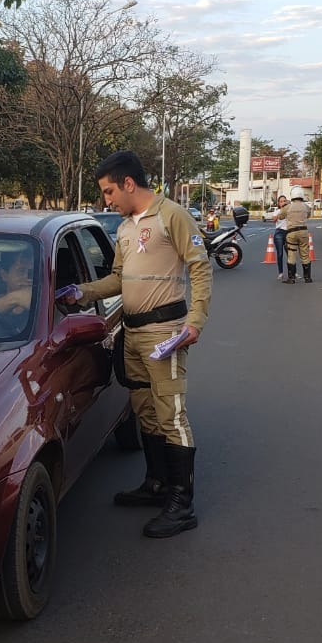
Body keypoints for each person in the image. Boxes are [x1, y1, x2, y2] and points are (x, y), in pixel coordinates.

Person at [58, 149, 212, 539]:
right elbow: (116, 279)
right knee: (144, 408)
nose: (106, 200)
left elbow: (200, 267)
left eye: (109, 191)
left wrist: (195, 321)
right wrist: (82, 292)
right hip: (133, 332)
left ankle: (182, 503)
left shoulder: (171, 215)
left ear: (128, 183)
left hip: (165, 333)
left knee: (171, 413)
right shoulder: (125, 228)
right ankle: (156, 483)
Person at [0, 249, 34, 317]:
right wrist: (15, 299)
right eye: (21, 271)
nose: (27, 277)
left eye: (32, 272)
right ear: (4, 275)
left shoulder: (45, 303)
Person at [278, 187, 312, 284]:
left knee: (291, 254)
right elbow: (308, 216)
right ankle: (307, 278)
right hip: (304, 232)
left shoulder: (288, 207)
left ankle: (291, 278)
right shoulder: (306, 206)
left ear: (292, 196)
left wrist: (284, 206)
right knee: (305, 254)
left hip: (291, 233)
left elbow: (280, 217)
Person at [272, 194, 289, 281]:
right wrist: (281, 212)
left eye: (284, 201)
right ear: (278, 203)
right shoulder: (277, 211)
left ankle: (293, 272)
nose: (283, 203)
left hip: (288, 233)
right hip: (279, 233)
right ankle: (280, 273)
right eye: (281, 201)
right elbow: (273, 220)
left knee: (290, 254)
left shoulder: (289, 210)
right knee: (280, 253)